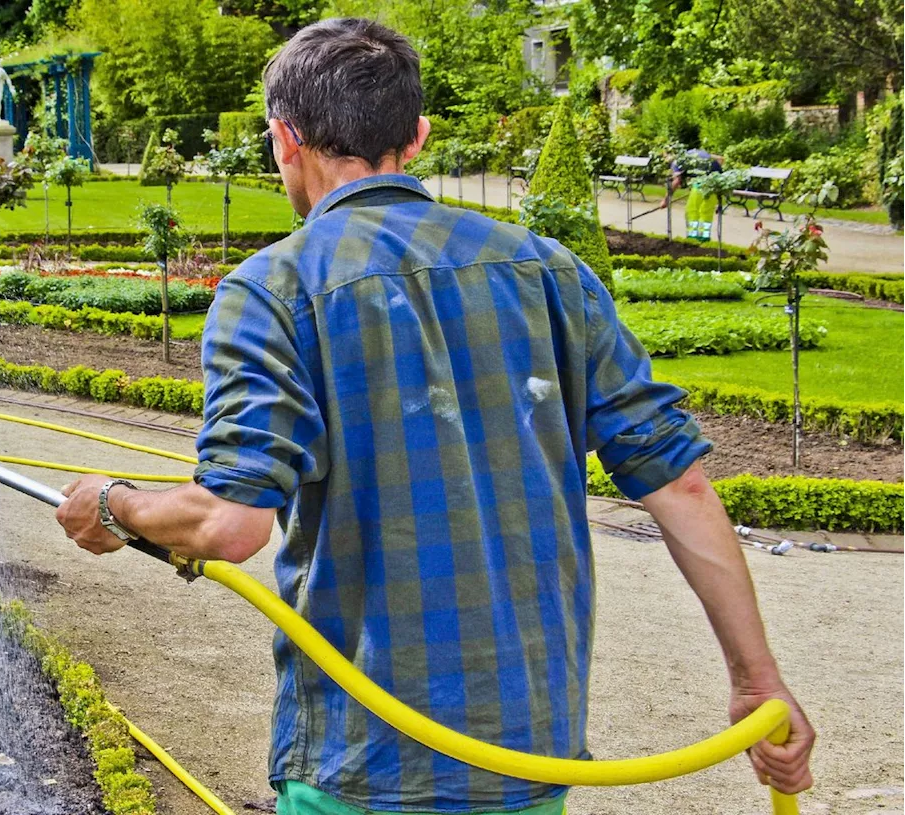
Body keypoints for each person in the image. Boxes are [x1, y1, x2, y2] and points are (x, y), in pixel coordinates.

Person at [54, 18, 814, 815]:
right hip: (528, 751)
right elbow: (682, 490)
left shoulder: (273, 288)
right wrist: (758, 682)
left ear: (284, 139)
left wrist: (114, 504)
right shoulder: (553, 272)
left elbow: (231, 523)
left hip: (365, 759)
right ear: (416, 137)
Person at [659, 147, 724, 241]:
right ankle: (704, 238)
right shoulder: (697, 154)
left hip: (699, 185)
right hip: (715, 186)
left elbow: (676, 182)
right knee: (706, 213)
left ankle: (693, 238)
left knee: (692, 211)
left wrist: (665, 200)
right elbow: (721, 159)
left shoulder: (677, 161)